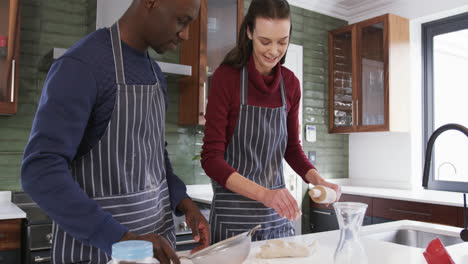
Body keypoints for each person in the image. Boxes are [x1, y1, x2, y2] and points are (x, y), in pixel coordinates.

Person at [21, 0, 209, 263]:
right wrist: (122, 241)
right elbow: (39, 171)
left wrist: (184, 202)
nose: (185, 35)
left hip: (155, 251)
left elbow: (155, 155)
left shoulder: (155, 74)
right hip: (98, 254)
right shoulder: (81, 67)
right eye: (181, 21)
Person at [201, 0, 342, 243]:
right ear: (249, 32)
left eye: (282, 42)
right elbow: (211, 160)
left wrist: (317, 180)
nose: (274, 51)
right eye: (265, 41)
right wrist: (266, 195)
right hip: (233, 223)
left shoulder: (291, 85)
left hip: (277, 219)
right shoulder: (227, 78)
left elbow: (292, 148)